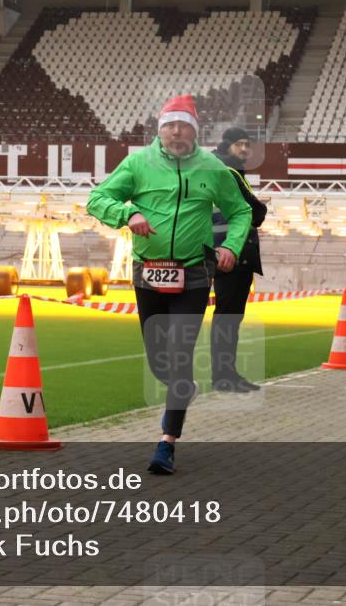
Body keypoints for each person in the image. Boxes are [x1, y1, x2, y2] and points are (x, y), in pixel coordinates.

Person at [87, 95, 252, 475]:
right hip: (148, 273)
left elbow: (241, 210)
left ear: (194, 130)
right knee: (160, 360)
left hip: (193, 273)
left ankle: (167, 443)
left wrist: (231, 245)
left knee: (179, 355)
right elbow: (98, 198)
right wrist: (128, 213)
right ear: (160, 129)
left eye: (183, 126)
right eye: (170, 125)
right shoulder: (138, 163)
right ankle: (184, 388)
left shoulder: (213, 168)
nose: (176, 132)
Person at [210, 128, 268, 393]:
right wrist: (260, 209)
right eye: (239, 144)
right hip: (232, 252)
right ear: (228, 145)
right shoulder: (230, 171)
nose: (245, 149)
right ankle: (224, 376)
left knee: (226, 317)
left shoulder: (217, 167)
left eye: (247, 144)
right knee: (228, 318)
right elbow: (255, 210)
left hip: (220, 248)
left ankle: (225, 374)